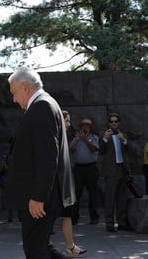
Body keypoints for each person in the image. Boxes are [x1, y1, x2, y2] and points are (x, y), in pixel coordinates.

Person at [5, 67, 76, 259]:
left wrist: (38, 197)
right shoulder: (47, 103)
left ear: (25, 87)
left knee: (36, 250)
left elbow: (47, 156)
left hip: (38, 200)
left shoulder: (42, 106)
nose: (14, 99)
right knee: (41, 247)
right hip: (41, 197)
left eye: (14, 93)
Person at [60, 111, 87, 258]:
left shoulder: (63, 136)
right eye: (67, 121)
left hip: (64, 182)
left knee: (67, 215)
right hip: (57, 184)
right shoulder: (57, 136)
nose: (70, 124)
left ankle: (70, 247)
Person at [99, 113, 131, 232]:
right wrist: (105, 139)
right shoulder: (105, 136)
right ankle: (109, 224)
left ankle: (122, 223)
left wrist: (123, 139)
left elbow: (132, 149)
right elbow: (100, 151)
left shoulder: (123, 135)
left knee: (122, 199)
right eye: (112, 122)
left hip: (122, 170)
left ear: (119, 123)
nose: (114, 123)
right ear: (108, 123)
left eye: (116, 121)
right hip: (111, 171)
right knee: (110, 199)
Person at [70, 119, 100, 226]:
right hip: (78, 169)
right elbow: (71, 150)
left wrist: (85, 140)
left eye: (87, 126)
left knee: (92, 193)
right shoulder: (76, 138)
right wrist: (78, 139)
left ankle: (94, 217)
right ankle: (74, 217)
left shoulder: (94, 138)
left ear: (90, 128)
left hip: (91, 168)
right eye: (83, 126)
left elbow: (93, 149)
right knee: (76, 193)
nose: (85, 128)